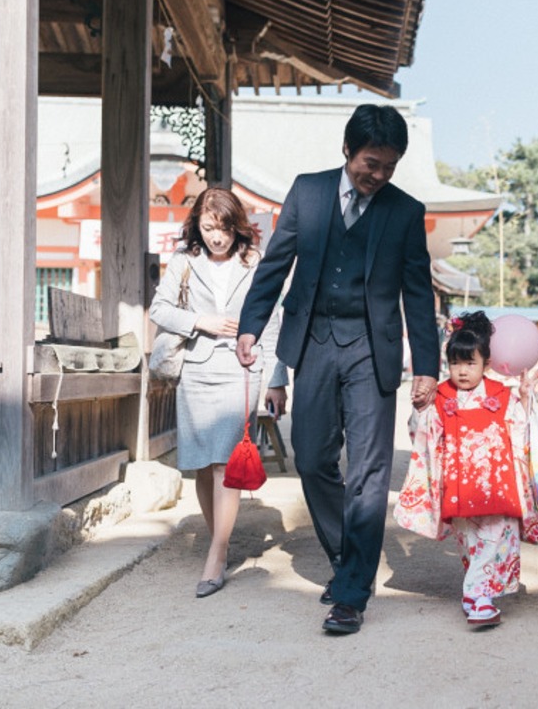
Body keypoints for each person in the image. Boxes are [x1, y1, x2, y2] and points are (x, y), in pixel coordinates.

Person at [235, 104, 440, 635]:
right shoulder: (307, 192)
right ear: (348, 150)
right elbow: (275, 265)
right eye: (371, 163)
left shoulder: (404, 211)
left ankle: (351, 593)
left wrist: (427, 366)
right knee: (312, 458)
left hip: (374, 351)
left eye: (389, 167)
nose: (378, 175)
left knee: (370, 472)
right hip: (315, 344)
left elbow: (418, 293)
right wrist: (250, 326)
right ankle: (350, 557)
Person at [149, 187, 289, 598]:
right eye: (209, 228)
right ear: (198, 225)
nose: (216, 237)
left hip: (241, 371)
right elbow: (159, 309)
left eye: (224, 228)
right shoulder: (184, 262)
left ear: (237, 226)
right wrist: (200, 321)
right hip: (195, 369)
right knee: (200, 464)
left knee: (224, 465)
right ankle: (218, 542)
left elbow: (273, 319)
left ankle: (216, 553)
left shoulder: (255, 261)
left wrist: (276, 376)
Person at [394, 312, 538, 628]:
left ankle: (478, 597)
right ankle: (477, 593)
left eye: (471, 363)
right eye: (456, 363)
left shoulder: (501, 394)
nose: (463, 371)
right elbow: (422, 435)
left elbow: (521, 430)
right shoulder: (441, 396)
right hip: (460, 486)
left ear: (486, 363)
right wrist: (421, 410)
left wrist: (523, 399)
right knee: (471, 544)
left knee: (497, 538)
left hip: (498, 483)